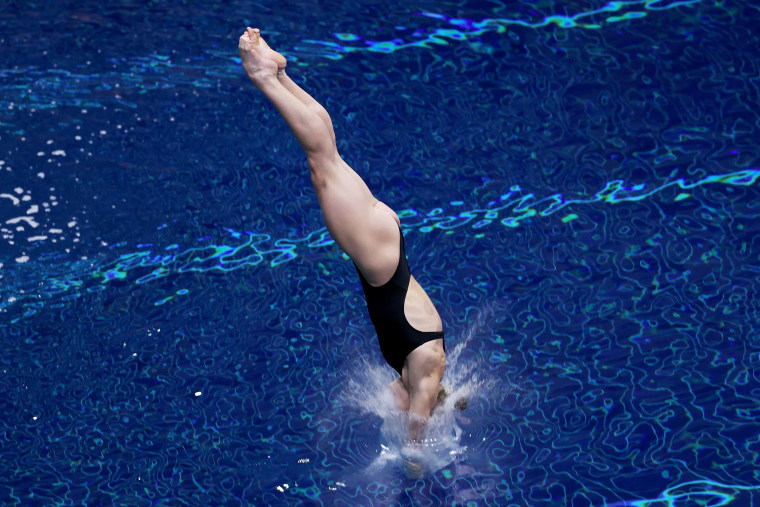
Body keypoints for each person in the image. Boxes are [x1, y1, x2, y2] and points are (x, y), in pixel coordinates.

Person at [238, 27, 456, 473]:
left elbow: (410, 402)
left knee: (327, 158)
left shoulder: (418, 370)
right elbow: (416, 426)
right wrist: (414, 460)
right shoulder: (427, 371)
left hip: (382, 244)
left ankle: (279, 74)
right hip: (378, 256)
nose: (391, 405)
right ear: (425, 400)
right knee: (322, 161)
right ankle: (264, 76)